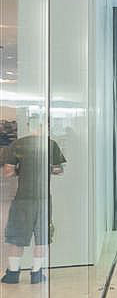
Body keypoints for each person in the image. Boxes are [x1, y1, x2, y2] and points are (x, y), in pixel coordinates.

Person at [1, 118, 65, 285]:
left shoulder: (17, 145)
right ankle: (36, 273)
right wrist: (47, 169)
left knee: (17, 236)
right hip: (43, 198)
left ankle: (13, 273)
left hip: (22, 198)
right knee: (42, 236)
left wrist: (20, 171)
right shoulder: (50, 144)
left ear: (29, 126)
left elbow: (7, 172)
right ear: (44, 127)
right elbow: (58, 170)